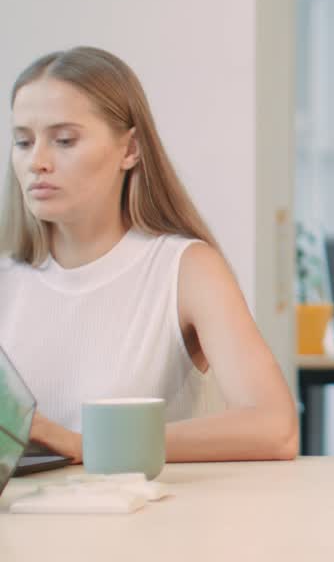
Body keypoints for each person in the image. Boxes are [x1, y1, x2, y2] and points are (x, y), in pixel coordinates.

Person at [0, 47, 298, 462]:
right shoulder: (7, 277)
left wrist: (86, 445)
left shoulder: (186, 270)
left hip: (145, 523)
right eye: (23, 142)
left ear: (130, 149)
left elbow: (274, 428)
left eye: (64, 140)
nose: (38, 162)